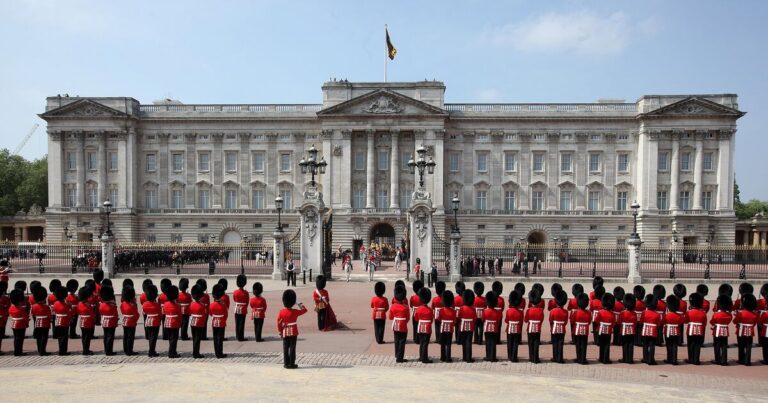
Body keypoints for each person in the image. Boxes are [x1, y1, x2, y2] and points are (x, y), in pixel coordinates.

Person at [277, 289, 307, 369]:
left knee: (285, 348)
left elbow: (279, 323)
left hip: (285, 332)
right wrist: (298, 303)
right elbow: (304, 310)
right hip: (293, 332)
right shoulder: (295, 311)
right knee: (292, 348)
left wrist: (280, 331)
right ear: (293, 302)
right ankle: (292, 363)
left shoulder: (281, 312)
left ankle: (286, 363)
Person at [684, 292, 707, 365]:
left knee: (690, 345)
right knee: (697, 345)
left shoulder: (689, 312)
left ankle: (691, 359)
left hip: (690, 330)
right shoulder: (703, 313)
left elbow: (686, 321)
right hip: (699, 330)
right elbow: (704, 323)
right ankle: (696, 360)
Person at [389, 285, 409, 363]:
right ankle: (400, 358)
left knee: (396, 340)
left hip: (395, 324)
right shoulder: (405, 307)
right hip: (403, 324)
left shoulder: (393, 306)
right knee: (402, 341)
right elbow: (407, 318)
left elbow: (390, 317)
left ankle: (397, 354)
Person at [711, 294, 732, 366]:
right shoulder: (729, 315)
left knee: (717, 345)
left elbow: (712, 322)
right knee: (724, 345)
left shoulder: (716, 314)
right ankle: (724, 360)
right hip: (725, 330)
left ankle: (717, 360)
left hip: (717, 330)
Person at [414, 288, 434, 363]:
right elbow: (431, 320)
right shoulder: (430, 310)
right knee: (425, 343)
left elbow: (416, 319)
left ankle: (421, 357)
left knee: (421, 343)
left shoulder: (418, 309)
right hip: (427, 327)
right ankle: (424, 358)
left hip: (420, 327)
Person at [640, 294, 661, 365]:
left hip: (645, 330)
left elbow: (641, 322)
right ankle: (651, 359)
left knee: (645, 345)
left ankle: (645, 358)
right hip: (653, 331)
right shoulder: (657, 314)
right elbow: (658, 324)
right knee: (652, 345)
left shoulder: (644, 313)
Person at [142, 284, 161, 357]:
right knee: (154, 337)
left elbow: (144, 312)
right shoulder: (157, 305)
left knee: (150, 337)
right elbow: (160, 314)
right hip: (155, 322)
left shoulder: (145, 304)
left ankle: (151, 350)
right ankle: (151, 351)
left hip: (148, 321)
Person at [572, 293, 592, 365]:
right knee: (584, 344)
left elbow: (572, 321)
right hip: (585, 330)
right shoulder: (589, 313)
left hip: (577, 330)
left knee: (578, 344)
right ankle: (583, 359)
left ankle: (578, 358)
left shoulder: (576, 312)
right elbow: (589, 322)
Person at [549, 290, 569, 364]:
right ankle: (560, 358)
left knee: (555, 343)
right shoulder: (566, 312)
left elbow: (550, 320)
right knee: (561, 343)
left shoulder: (553, 311)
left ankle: (555, 357)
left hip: (554, 328)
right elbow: (566, 322)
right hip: (562, 329)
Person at [31, 285, 51, 356]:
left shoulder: (33, 306)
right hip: (45, 323)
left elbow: (33, 314)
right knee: (44, 338)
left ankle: (39, 350)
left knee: (38, 337)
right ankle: (43, 351)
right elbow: (49, 316)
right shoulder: (46, 307)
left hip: (37, 323)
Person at [663, 295, 683, 365]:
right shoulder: (679, 316)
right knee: (675, 346)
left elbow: (663, 322)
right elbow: (680, 322)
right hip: (676, 331)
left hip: (668, 331)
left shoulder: (666, 315)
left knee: (668, 346)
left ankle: (669, 359)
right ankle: (674, 360)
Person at [99, 286, 119, 356]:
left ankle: (106, 349)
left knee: (105, 336)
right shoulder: (113, 305)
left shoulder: (101, 305)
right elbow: (115, 314)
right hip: (111, 322)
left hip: (104, 321)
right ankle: (109, 351)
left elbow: (101, 313)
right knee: (110, 336)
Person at [596, 293, 616, 364]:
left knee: (602, 344)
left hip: (601, 330)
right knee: (607, 345)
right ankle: (606, 359)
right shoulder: (612, 314)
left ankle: (601, 358)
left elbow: (597, 321)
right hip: (608, 331)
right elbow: (613, 324)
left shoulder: (600, 312)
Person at [525, 289, 544, 364]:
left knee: (530, 343)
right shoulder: (540, 311)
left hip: (530, 328)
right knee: (536, 343)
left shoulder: (529, 310)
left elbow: (526, 320)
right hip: (537, 328)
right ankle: (536, 358)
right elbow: (541, 320)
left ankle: (531, 357)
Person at [162, 285, 181, 358]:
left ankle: (173, 351)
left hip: (167, 322)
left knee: (170, 339)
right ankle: (172, 353)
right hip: (174, 323)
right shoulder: (177, 306)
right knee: (174, 339)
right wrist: (179, 323)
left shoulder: (165, 304)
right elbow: (179, 316)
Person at [210, 284, 228, 359]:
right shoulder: (223, 305)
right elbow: (225, 315)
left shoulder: (211, 305)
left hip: (214, 322)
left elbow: (210, 313)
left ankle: (216, 353)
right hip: (221, 322)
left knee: (215, 337)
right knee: (220, 338)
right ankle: (220, 353)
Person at [505, 290, 524, 362]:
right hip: (517, 329)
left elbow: (506, 321)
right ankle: (514, 357)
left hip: (509, 329)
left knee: (509, 343)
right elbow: (521, 321)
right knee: (515, 344)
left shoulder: (508, 311)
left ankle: (509, 356)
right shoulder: (520, 312)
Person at [189, 285, 207, 359]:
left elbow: (189, 312)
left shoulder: (191, 304)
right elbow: (204, 315)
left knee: (194, 338)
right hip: (199, 323)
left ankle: (194, 352)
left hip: (193, 322)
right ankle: (196, 353)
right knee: (197, 338)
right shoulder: (202, 305)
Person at [77, 286, 96, 355]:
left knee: (84, 337)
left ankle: (85, 349)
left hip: (82, 321)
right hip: (88, 322)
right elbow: (91, 314)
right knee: (87, 337)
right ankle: (86, 350)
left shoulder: (79, 304)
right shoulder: (87, 305)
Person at [457, 289, 476, 363]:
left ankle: (464, 357)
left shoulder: (461, 309)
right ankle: (469, 358)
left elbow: (458, 317)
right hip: (470, 327)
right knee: (469, 342)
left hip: (462, 327)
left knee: (464, 342)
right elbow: (474, 318)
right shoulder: (473, 309)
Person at [52, 285, 71, 356]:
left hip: (57, 321)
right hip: (64, 322)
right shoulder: (66, 305)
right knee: (64, 337)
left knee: (60, 337)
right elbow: (69, 313)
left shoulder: (55, 303)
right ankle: (63, 351)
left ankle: (61, 350)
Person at [437, 290, 456, 362]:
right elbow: (454, 322)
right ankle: (448, 357)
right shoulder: (453, 311)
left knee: (443, 344)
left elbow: (438, 319)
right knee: (448, 344)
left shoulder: (441, 310)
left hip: (442, 329)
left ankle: (442, 357)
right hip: (450, 329)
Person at [483, 291, 501, 362]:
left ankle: (488, 356)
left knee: (487, 342)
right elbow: (498, 320)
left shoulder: (485, 311)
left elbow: (483, 319)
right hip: (494, 328)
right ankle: (493, 357)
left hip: (487, 328)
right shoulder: (497, 312)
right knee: (493, 343)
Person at [8, 288, 28, 356]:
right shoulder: (21, 309)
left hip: (14, 324)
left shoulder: (11, 308)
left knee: (16, 339)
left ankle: (16, 351)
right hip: (21, 325)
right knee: (20, 339)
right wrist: (27, 323)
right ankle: (19, 352)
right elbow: (25, 317)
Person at [120, 286, 139, 356]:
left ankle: (125, 349)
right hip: (131, 322)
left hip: (125, 320)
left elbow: (122, 311)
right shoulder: (132, 305)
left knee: (125, 336)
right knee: (130, 337)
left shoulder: (123, 304)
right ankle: (129, 351)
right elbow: (136, 314)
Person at [619, 293, 637, 364]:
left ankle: (625, 358)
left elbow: (619, 322)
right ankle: (630, 359)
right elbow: (635, 323)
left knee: (625, 344)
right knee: (631, 344)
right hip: (632, 330)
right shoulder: (634, 313)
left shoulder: (622, 313)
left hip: (624, 330)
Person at [233, 274, 249, 342]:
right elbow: (247, 301)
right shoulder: (246, 293)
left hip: (237, 308)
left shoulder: (235, 292)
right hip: (243, 308)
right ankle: (241, 337)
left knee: (237, 322)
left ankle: (237, 335)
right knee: (241, 323)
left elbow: (234, 299)